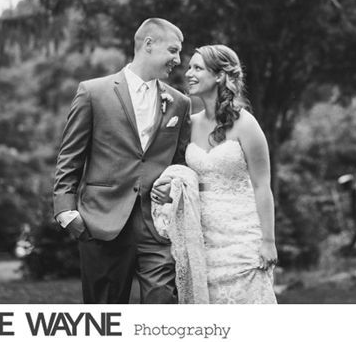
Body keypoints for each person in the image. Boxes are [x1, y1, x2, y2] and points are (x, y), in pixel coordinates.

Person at [53, 17, 192, 304]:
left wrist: (174, 188)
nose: (178, 60)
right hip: (102, 222)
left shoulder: (179, 102)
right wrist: (66, 212)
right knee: (106, 316)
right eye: (173, 50)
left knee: (163, 305)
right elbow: (70, 155)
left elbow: (180, 161)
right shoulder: (93, 92)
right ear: (149, 45)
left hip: (156, 225)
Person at [153, 44, 277, 304]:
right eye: (189, 67)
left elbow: (262, 186)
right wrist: (170, 188)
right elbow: (182, 174)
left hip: (242, 236)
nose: (188, 73)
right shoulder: (189, 124)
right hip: (202, 237)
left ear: (220, 76)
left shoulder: (246, 124)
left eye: (197, 68)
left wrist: (268, 241)